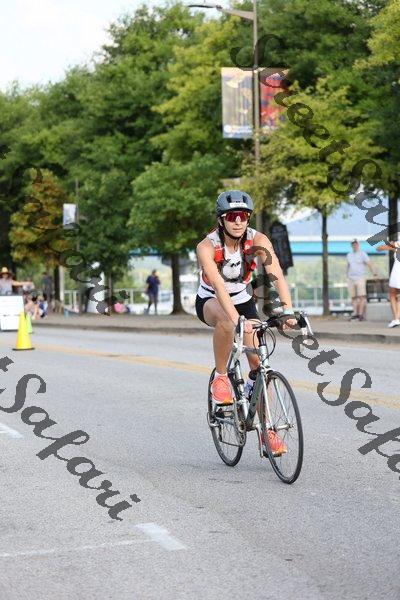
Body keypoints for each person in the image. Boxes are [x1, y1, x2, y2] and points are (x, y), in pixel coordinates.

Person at [195, 190, 296, 457]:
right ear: (221, 220)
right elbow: (218, 286)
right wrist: (237, 320)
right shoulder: (206, 247)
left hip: (243, 299)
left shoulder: (258, 240)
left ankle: (267, 431)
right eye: (232, 216)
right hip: (211, 299)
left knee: (259, 365)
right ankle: (221, 378)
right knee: (228, 323)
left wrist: (287, 310)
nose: (238, 221)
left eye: (243, 216)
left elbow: (276, 274)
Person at [346, 240, 378, 321]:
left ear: (358, 245)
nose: (354, 246)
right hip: (351, 278)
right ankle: (355, 313)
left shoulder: (363, 254)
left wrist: (374, 274)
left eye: (356, 244)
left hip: (360, 278)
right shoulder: (349, 255)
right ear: (351, 245)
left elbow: (369, 264)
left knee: (361, 296)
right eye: (353, 244)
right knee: (353, 297)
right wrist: (347, 276)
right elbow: (348, 266)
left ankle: (360, 314)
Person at [377, 240, 400, 328]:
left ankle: (396, 319)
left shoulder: (397, 244)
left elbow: (379, 248)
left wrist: (390, 244)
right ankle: (397, 318)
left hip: (397, 272)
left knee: (392, 295)